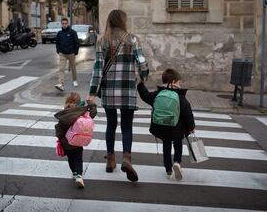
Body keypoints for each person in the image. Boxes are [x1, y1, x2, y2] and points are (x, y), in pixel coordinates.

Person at [87, 10, 149, 182]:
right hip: (127, 90)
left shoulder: (102, 41)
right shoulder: (133, 39)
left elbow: (97, 70)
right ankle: (127, 159)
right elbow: (142, 63)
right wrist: (144, 76)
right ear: (123, 21)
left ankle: (111, 160)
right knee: (127, 126)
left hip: (109, 92)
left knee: (111, 125)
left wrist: (92, 93)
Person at [137, 68, 195, 180]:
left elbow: (145, 96)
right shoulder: (180, 97)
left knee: (166, 147)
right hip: (176, 128)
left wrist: (140, 84)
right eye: (179, 82)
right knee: (178, 144)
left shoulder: (158, 94)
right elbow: (187, 113)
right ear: (173, 82)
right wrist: (191, 126)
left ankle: (168, 169)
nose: (180, 84)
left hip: (161, 127)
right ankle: (177, 162)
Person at [54, 92, 97, 188]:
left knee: (71, 158)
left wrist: (60, 138)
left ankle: (74, 172)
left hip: (66, 142)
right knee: (78, 159)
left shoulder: (64, 114)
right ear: (78, 102)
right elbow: (92, 114)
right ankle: (79, 176)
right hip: (78, 141)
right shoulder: (81, 112)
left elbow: (59, 128)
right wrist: (91, 104)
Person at [55, 18, 80, 91]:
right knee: (61, 69)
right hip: (63, 54)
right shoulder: (59, 33)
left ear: (68, 24)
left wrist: (75, 52)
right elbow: (57, 43)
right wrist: (58, 51)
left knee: (73, 67)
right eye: (63, 23)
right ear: (61, 24)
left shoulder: (72, 32)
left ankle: (74, 80)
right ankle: (61, 84)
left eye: (65, 23)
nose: (64, 25)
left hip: (71, 53)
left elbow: (77, 43)